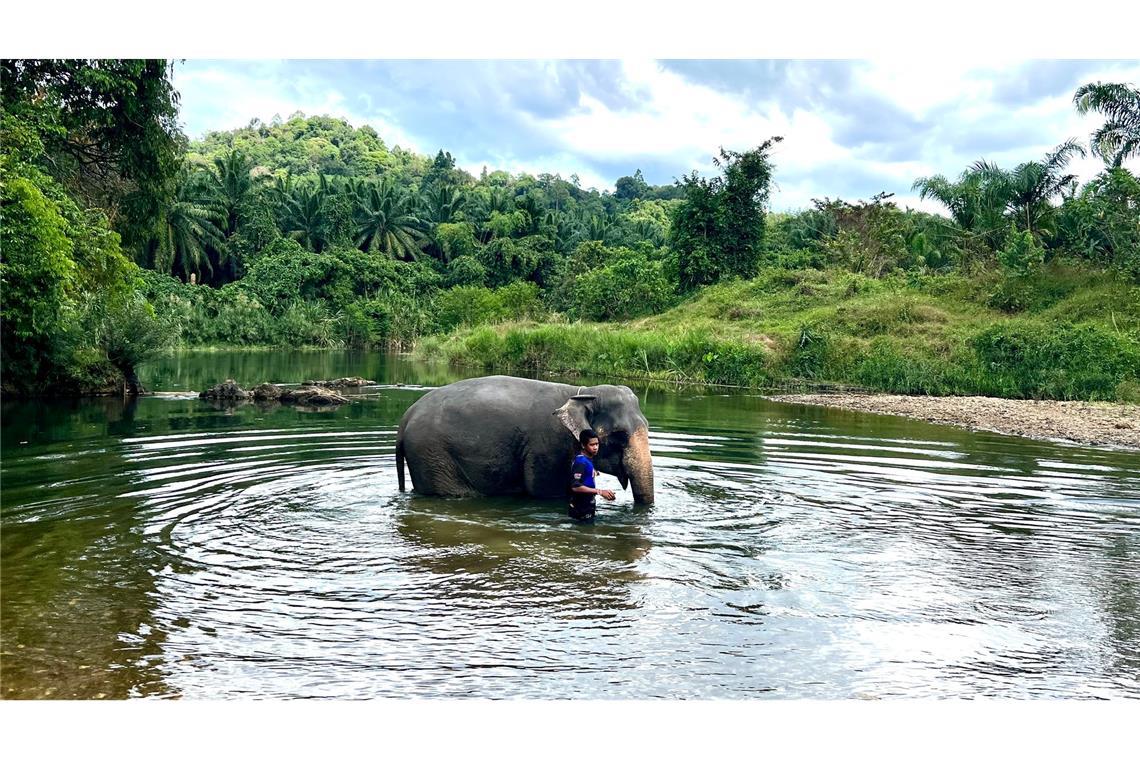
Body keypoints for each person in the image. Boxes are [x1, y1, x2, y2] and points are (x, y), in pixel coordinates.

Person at [568, 429, 616, 522]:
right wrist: (600, 492)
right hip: (580, 511)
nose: (595, 447)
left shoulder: (588, 460)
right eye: (592, 445)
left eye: (597, 444)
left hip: (587, 508)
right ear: (583, 445)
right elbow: (575, 486)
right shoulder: (581, 462)